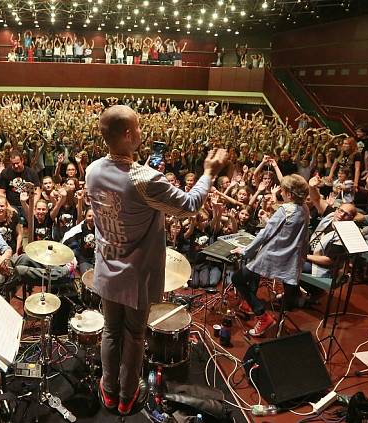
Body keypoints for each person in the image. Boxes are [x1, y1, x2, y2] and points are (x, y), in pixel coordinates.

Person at [87, 105, 227, 415]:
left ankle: (108, 391)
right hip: (137, 274)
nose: (141, 132)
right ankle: (126, 396)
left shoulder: (92, 169)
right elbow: (190, 205)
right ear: (127, 134)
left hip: (107, 266)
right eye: (137, 128)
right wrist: (208, 173)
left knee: (111, 331)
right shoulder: (146, 179)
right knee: (135, 334)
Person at [230, 175, 311, 337]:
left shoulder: (284, 210)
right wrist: (268, 219)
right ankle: (250, 305)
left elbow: (265, 234)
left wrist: (246, 251)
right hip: (289, 257)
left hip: (272, 255)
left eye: (282, 189)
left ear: (289, 193)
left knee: (237, 279)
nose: (280, 191)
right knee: (262, 279)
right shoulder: (305, 209)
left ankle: (262, 315)